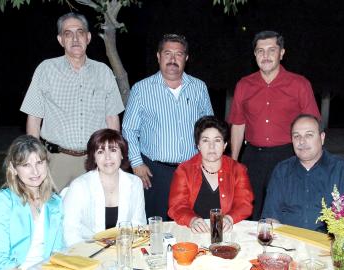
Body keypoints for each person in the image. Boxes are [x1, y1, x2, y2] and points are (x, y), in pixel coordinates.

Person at [20, 12, 124, 191]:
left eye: (80, 32)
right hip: (56, 160)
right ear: (61, 39)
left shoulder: (104, 72)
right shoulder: (46, 69)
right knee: (51, 211)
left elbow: (112, 120)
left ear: (88, 37)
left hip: (93, 160)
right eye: (68, 34)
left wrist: (111, 157)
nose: (75, 38)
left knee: (94, 214)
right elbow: (34, 119)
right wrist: (33, 157)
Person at [227, 30, 320, 220]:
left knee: (287, 210)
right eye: (260, 51)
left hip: (288, 156)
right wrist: (234, 163)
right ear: (254, 55)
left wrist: (313, 160)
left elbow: (312, 126)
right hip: (253, 157)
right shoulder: (244, 85)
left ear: (282, 53)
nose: (266, 56)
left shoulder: (299, 84)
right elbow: (237, 125)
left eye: (271, 50)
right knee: (250, 210)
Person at [122, 34, 213, 220]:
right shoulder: (141, 89)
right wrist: (136, 163)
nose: (173, 59)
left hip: (192, 171)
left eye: (178, 54)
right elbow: (129, 129)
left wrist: (209, 161)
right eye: (167, 54)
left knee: (192, 226)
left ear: (186, 58)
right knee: (157, 228)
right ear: (158, 56)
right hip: (155, 173)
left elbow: (209, 128)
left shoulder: (199, 88)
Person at [261, 114, 344, 231]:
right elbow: (270, 217)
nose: (301, 141)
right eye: (296, 136)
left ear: (322, 137)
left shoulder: (343, 171)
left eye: (309, 135)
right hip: (287, 242)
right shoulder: (282, 171)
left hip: (329, 244)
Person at [0, 135, 64, 270]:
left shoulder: (55, 202)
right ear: (13, 168)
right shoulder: (4, 202)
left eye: (39, 162)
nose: (35, 171)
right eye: (26, 165)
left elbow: (59, 251)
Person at [168, 116, 254, 233]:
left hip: (228, 232)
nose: (211, 146)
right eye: (205, 140)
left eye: (217, 140)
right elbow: (176, 206)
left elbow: (244, 204)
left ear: (224, 145)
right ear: (198, 145)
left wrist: (230, 218)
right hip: (193, 231)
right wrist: (192, 220)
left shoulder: (238, 170)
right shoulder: (184, 170)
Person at [63, 129, 146, 246]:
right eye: (100, 152)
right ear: (94, 157)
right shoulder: (79, 186)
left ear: (122, 154)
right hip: (87, 252)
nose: (107, 157)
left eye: (113, 150)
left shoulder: (135, 183)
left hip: (124, 251)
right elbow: (69, 231)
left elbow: (139, 226)